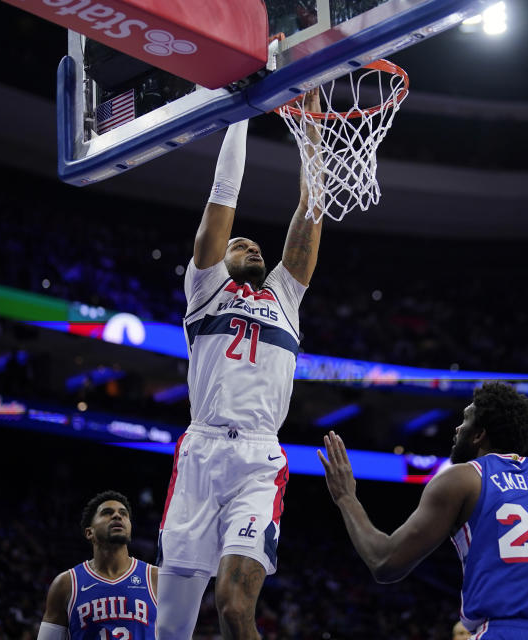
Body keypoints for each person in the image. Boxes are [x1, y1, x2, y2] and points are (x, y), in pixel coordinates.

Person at [156, 91, 324, 640]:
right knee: (173, 625)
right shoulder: (204, 288)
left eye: (256, 246)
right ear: (217, 259)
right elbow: (223, 195)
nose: (251, 246)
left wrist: (310, 123)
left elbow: (311, 205)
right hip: (201, 451)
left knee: (233, 606)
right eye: (240, 244)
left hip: (258, 457)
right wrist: (240, 116)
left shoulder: (285, 295)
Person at [318, 382, 528, 640]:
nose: (456, 428)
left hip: (505, 630)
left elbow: (385, 563)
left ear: (479, 433)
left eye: (464, 420)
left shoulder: (462, 479)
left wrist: (347, 498)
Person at [38, 491, 158, 640]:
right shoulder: (66, 584)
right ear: (89, 533)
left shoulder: (156, 578)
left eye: (123, 513)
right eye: (107, 513)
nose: (117, 516)